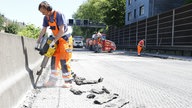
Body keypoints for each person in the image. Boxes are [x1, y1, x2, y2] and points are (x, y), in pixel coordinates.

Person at [37, 1, 73, 88]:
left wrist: (54, 41)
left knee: (63, 59)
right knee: (54, 59)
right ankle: (53, 81)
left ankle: (68, 81)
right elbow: (44, 30)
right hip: (56, 39)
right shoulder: (46, 18)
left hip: (65, 39)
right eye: (42, 12)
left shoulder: (59, 15)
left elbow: (61, 30)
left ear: (48, 9)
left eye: (44, 12)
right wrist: (38, 41)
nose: (43, 14)